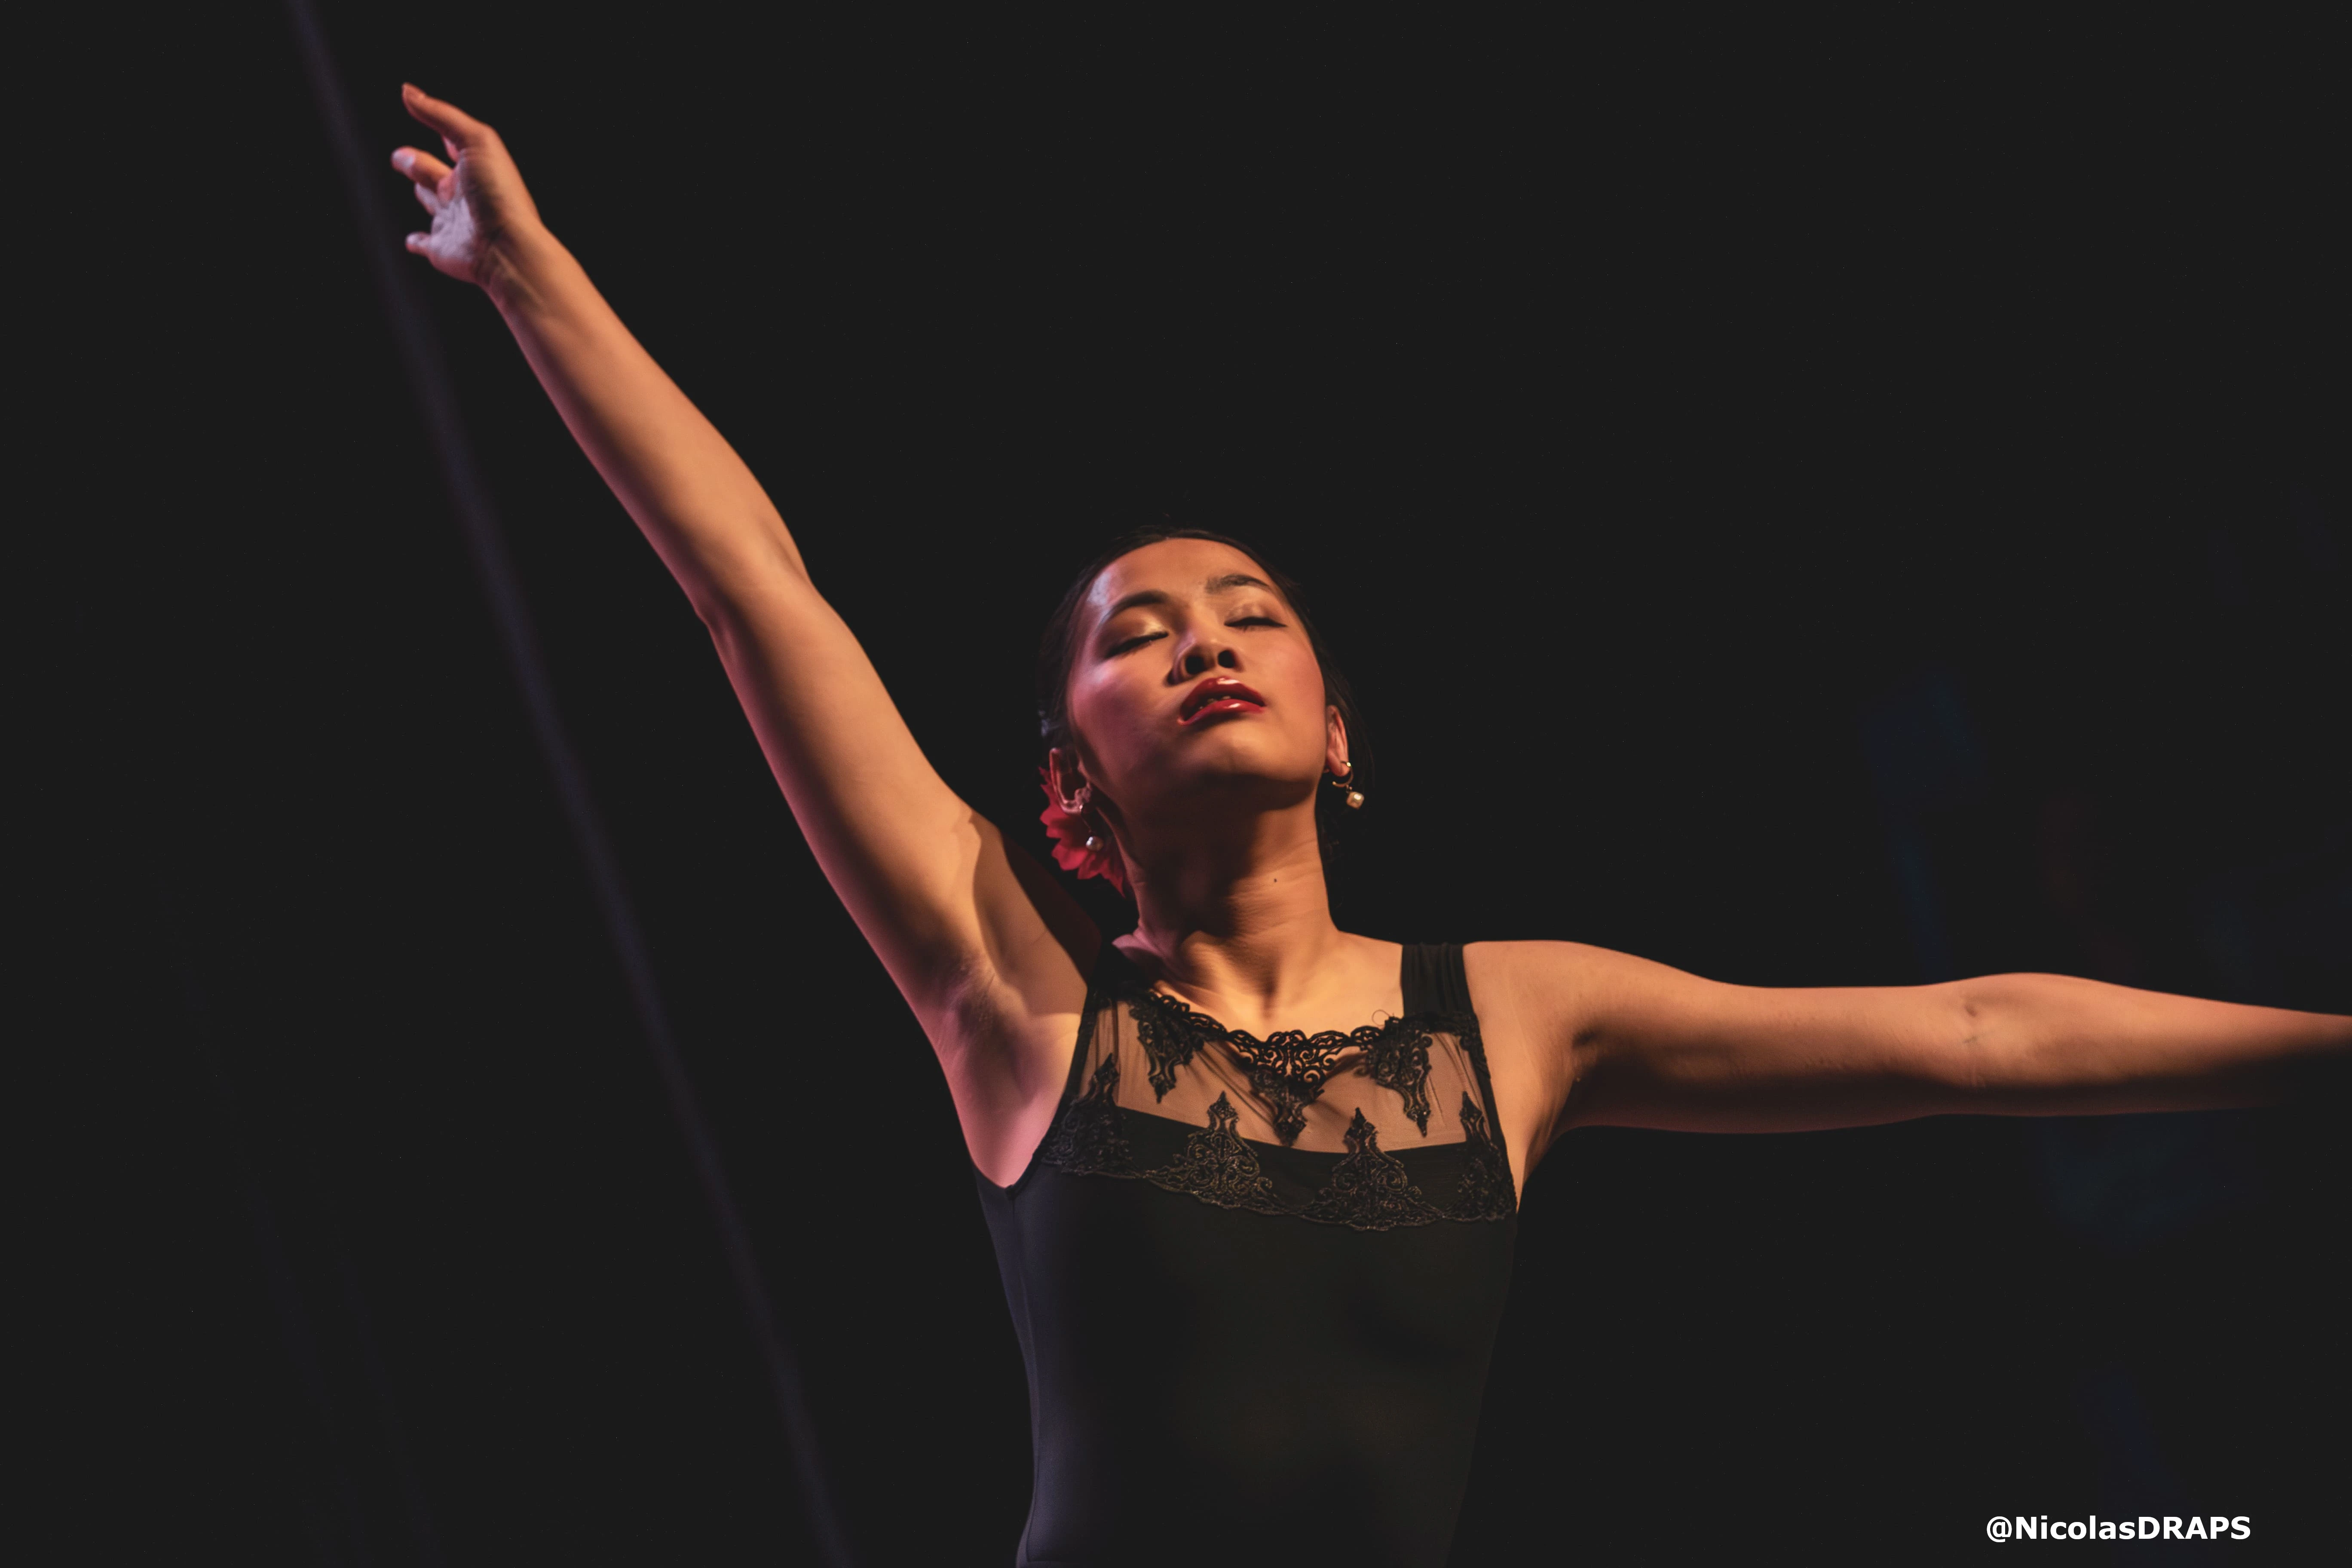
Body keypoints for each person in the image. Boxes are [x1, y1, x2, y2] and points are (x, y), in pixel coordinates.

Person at [387, 84, 2350, 1567]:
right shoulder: (1017, 1001)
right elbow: (759, 592)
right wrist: (531, 274)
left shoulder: (1517, 1020)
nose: (1206, 645)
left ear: (1341, 733)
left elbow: (1980, 1037)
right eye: (1136, 636)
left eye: (1253, 616)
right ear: (1068, 776)